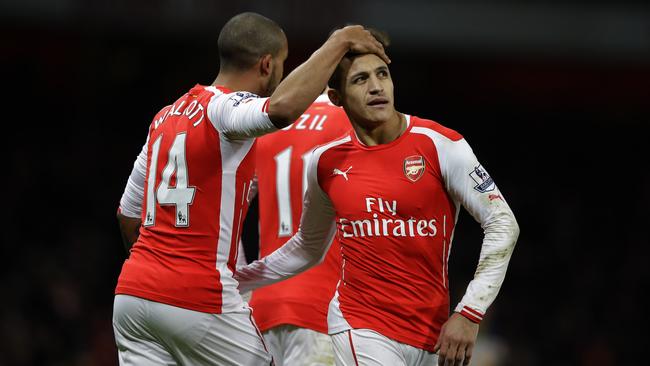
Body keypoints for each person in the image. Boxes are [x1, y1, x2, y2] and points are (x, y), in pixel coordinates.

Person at [112, 12, 389, 365]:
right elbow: (282, 109)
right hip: (200, 295)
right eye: (283, 63)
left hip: (133, 296)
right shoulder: (226, 108)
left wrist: (156, 277)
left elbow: (127, 215)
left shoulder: (164, 117)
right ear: (267, 65)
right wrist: (339, 41)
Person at [235, 29, 520, 366]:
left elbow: (503, 223)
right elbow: (308, 247)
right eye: (360, 80)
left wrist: (469, 313)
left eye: (382, 74)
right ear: (337, 98)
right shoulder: (325, 162)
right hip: (358, 326)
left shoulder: (442, 146)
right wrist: (239, 278)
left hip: (430, 332)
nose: (375, 86)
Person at [249, 92, 350, 365]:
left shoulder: (267, 122)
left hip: (262, 305)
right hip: (322, 305)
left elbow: (229, 208)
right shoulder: (350, 120)